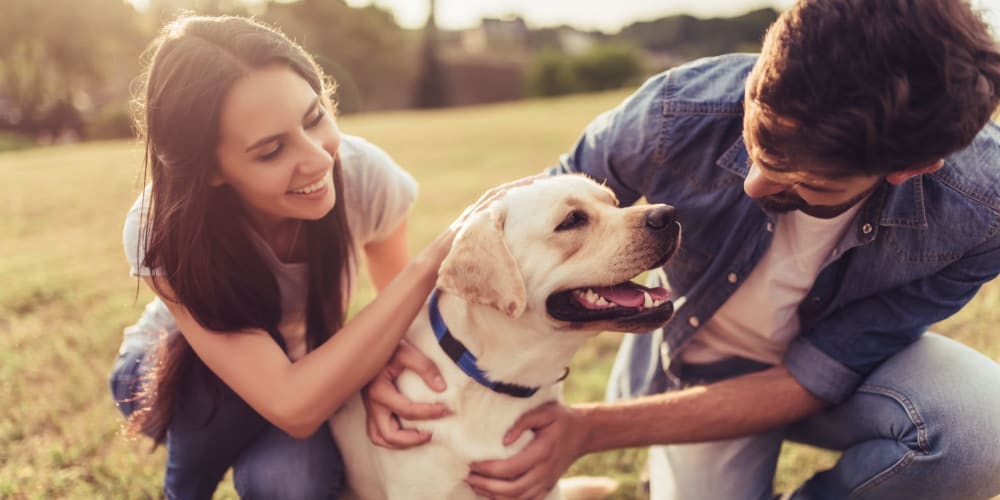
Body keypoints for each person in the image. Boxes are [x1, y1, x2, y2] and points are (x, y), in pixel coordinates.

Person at [367, 1, 1000, 499]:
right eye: (757, 140)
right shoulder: (679, 109)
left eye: (806, 182)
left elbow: (821, 373)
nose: (756, 184)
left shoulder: (982, 211)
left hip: (845, 378)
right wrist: (393, 355)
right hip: (686, 365)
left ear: (909, 168)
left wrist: (587, 430)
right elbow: (523, 214)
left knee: (983, 428)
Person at [108, 15, 527, 499]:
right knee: (218, 392)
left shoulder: (364, 174)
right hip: (173, 379)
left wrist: (377, 380)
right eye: (270, 151)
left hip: (303, 376)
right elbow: (291, 402)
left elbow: (407, 327)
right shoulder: (161, 228)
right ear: (211, 170)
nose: (319, 158)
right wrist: (435, 257)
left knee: (292, 481)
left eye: (314, 118)